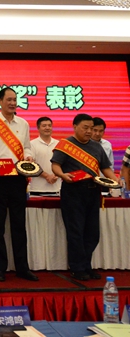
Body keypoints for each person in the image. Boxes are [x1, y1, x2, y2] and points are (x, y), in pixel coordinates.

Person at [0, 87, 38, 282]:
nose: (12, 103)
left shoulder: (23, 123)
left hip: (18, 177)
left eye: (14, 99)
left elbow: (27, 146)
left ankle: (22, 267)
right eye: (9, 99)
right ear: (0, 101)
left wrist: (29, 156)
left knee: (19, 223)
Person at [51, 113, 119, 281]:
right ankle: (77, 268)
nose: (89, 131)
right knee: (76, 232)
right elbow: (55, 165)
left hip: (93, 191)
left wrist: (116, 180)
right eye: (85, 128)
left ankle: (86, 265)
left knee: (92, 233)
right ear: (75, 127)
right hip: (73, 191)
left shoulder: (97, 147)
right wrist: (63, 175)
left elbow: (105, 168)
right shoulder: (65, 144)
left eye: (91, 128)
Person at [29, 117, 61, 195]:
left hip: (57, 189)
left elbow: (64, 163)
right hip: (37, 189)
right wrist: (47, 176)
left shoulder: (59, 144)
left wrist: (56, 175)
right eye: (44, 126)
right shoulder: (31, 144)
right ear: (38, 128)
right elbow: (31, 165)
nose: (47, 128)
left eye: (49, 125)